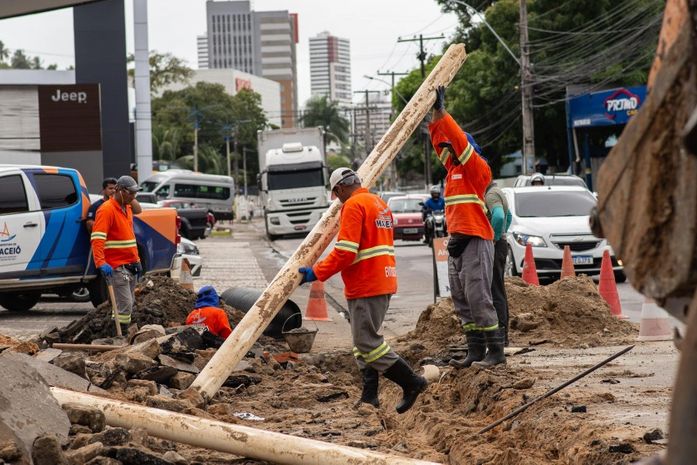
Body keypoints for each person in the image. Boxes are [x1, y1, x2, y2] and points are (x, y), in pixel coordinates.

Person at [298, 168, 427, 413]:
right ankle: (370, 397)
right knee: (361, 344)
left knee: (367, 343)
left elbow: (346, 251)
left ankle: (411, 382)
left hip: (367, 283)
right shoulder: (379, 203)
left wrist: (317, 272)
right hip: (380, 280)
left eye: (336, 195)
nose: (338, 201)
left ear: (340, 189)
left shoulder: (354, 205)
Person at [428, 86, 505, 368]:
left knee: (478, 296)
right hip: (458, 241)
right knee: (461, 298)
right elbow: (440, 143)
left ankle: (496, 353)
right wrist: (435, 116)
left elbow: (457, 140)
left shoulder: (478, 168)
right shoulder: (452, 172)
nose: (448, 152)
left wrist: (445, 113)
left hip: (476, 239)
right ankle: (475, 350)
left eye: (454, 148)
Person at [90, 176, 142, 333]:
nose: (134, 197)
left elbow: (139, 210)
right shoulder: (106, 210)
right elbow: (97, 238)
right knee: (125, 303)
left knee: (128, 302)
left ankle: (118, 331)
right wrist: (100, 262)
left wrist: (137, 260)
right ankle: (118, 333)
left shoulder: (127, 208)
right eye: (131, 193)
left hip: (130, 263)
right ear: (122, 191)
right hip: (116, 265)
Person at [484, 182, 513, 346]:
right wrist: (502, 233)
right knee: (498, 289)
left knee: (495, 291)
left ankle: (500, 336)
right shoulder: (498, 191)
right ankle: (503, 335)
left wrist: (493, 238)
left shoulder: (491, 195)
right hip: (501, 245)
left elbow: (500, 216)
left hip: (495, 246)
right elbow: (508, 218)